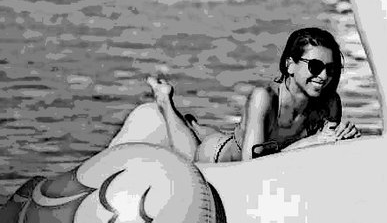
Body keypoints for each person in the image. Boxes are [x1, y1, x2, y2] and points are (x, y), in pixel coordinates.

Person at [109, 27, 361, 163]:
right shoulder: (264, 97)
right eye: (315, 66)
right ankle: (165, 101)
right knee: (190, 155)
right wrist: (311, 143)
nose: (323, 76)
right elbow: (252, 162)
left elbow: (326, 156)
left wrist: (343, 138)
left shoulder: (330, 103)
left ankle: (193, 124)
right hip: (219, 157)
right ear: (290, 65)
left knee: (210, 130)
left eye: (331, 69)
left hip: (237, 139)